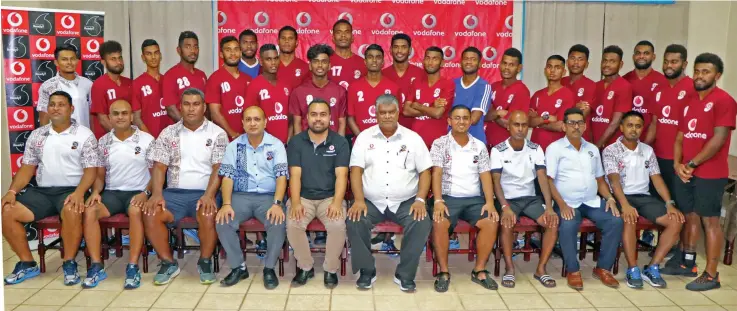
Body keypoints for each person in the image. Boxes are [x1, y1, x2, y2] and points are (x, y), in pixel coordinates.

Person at [2, 91, 101, 285]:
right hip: (43, 192)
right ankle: (27, 263)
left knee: (72, 209)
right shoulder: (38, 135)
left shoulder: (84, 135)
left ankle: (69, 262)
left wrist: (80, 193)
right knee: (6, 210)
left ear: (71, 109)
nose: (56, 108)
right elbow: (27, 168)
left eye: (61, 104)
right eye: (52, 104)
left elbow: (91, 171)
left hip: (72, 189)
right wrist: (11, 192)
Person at [347, 94, 432, 292]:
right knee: (355, 220)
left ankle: (405, 274)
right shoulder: (364, 138)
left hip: (405, 202)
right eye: (382, 112)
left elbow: (425, 171)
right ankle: (367, 271)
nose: (387, 116)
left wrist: (420, 200)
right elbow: (356, 171)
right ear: (375, 114)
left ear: (398, 112)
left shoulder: (413, 139)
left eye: (391, 112)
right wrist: (358, 200)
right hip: (371, 201)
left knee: (421, 221)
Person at [143, 88, 228, 285]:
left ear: (204, 107)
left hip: (204, 192)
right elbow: (159, 166)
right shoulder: (168, 133)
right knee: (151, 212)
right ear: (180, 107)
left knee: (208, 213)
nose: (191, 109)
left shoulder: (218, 133)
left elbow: (219, 168)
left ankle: (204, 261)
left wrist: (209, 195)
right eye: (187, 104)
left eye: (196, 104)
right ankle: (168, 262)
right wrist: (156, 194)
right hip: (174, 193)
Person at [669, 53, 737, 291]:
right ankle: (687, 263)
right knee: (689, 215)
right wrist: (678, 164)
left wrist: (692, 164)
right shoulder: (687, 101)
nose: (699, 76)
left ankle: (711, 274)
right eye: (697, 71)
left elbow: (718, 139)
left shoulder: (724, 100)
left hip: (710, 173)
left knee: (710, 221)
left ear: (717, 75)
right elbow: (680, 137)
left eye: (705, 71)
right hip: (685, 171)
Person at [602, 110, 684, 289]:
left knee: (675, 221)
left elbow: (657, 178)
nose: (634, 130)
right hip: (620, 196)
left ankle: (652, 266)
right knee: (629, 219)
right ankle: (632, 269)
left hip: (644, 197)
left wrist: (669, 204)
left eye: (638, 126)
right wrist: (624, 205)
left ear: (642, 129)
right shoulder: (611, 150)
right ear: (622, 127)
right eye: (630, 125)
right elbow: (614, 180)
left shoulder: (647, 151)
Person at [546, 107, 623, 290]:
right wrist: (562, 205)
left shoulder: (593, 149)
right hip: (566, 201)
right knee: (568, 224)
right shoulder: (554, 149)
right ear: (563, 126)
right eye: (571, 123)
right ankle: (573, 270)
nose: (576, 126)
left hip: (591, 201)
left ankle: (603, 268)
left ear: (585, 126)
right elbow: (548, 181)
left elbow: (599, 179)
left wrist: (610, 198)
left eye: (580, 122)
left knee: (615, 221)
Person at [83, 100, 155, 289]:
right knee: (90, 210)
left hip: (138, 192)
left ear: (132, 116)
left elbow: (157, 174)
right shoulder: (103, 142)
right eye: (116, 113)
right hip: (113, 193)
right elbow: (100, 175)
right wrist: (96, 192)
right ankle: (97, 266)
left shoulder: (147, 139)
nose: (120, 117)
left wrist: (146, 193)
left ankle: (132, 266)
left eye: (124, 113)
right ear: (109, 117)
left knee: (134, 211)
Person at [215, 106, 287, 289]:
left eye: (257, 119)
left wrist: (277, 203)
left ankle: (269, 268)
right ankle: (239, 267)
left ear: (265, 122)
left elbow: (281, 177)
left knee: (277, 222)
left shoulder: (276, 145)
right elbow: (227, 177)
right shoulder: (234, 146)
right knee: (223, 221)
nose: (253, 123)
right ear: (243, 123)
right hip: (240, 196)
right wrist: (226, 204)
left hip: (268, 197)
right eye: (248, 120)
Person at [429, 105, 499, 292]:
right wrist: (437, 201)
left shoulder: (479, 145)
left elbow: (485, 175)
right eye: (457, 118)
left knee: (491, 221)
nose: (461, 121)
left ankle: (480, 270)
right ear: (449, 121)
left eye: (465, 118)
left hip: (474, 198)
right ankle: (444, 272)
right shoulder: (440, 143)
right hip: (447, 197)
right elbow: (436, 173)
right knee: (439, 222)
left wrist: (490, 202)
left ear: (470, 121)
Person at [286, 99, 350, 288]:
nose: (318, 119)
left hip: (330, 198)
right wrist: (296, 203)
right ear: (307, 118)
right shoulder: (297, 142)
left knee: (338, 225)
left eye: (323, 114)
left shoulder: (340, 142)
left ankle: (330, 270)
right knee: (293, 223)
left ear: (330, 118)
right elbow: (295, 175)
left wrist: (337, 203)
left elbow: (342, 175)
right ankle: (306, 267)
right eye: (314, 114)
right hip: (303, 197)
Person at [492, 110, 559, 289]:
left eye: (524, 125)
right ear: (508, 126)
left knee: (551, 222)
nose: (520, 129)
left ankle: (541, 269)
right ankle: (509, 268)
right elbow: (496, 182)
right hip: (508, 199)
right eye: (516, 124)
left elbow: (542, 177)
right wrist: (505, 206)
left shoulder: (535, 148)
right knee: (507, 223)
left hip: (530, 199)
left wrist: (550, 206)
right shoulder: (498, 150)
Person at [654, 44, 696, 272]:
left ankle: (687, 258)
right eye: (667, 61)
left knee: (685, 210)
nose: (669, 66)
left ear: (684, 64)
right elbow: (654, 123)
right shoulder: (660, 88)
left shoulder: (691, 88)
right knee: (667, 208)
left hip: (679, 162)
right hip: (659, 158)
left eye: (674, 62)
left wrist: (685, 162)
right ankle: (670, 248)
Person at [90, 40, 146, 138]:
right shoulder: (98, 85)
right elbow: (103, 119)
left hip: (130, 139)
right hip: (108, 141)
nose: (118, 62)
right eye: (113, 59)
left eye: (120, 58)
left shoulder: (130, 83)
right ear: (103, 62)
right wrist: (120, 137)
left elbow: (135, 114)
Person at [403, 46, 455, 148]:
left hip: (437, 143)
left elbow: (437, 114)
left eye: (435, 59)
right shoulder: (416, 82)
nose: (430, 62)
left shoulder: (448, 84)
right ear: (423, 61)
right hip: (416, 143)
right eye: (428, 58)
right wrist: (432, 106)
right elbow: (406, 111)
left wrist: (418, 106)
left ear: (442, 63)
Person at [290, 44, 348, 136]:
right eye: (316, 61)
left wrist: (340, 146)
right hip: (307, 145)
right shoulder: (298, 92)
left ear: (329, 66)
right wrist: (300, 147)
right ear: (310, 66)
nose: (320, 65)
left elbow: (342, 123)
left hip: (332, 145)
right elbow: (297, 124)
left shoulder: (340, 91)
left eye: (324, 61)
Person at [347, 44, 402, 137]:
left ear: (383, 62)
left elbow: (396, 117)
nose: (374, 60)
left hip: (386, 142)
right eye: (370, 57)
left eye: (378, 57)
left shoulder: (393, 87)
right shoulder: (354, 87)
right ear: (365, 61)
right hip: (362, 143)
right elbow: (350, 118)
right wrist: (362, 138)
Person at [206, 36, 253, 140]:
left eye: (236, 49)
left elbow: (253, 110)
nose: (233, 53)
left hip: (248, 139)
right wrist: (233, 134)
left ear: (241, 52)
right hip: (224, 140)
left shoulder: (248, 79)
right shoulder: (214, 79)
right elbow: (215, 113)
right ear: (221, 54)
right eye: (228, 50)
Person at [623, 41, 669, 145]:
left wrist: (646, 145)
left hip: (654, 145)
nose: (641, 56)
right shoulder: (624, 80)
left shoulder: (663, 81)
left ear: (653, 57)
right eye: (638, 53)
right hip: (627, 142)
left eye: (646, 53)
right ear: (633, 56)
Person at [245, 44, 292, 144]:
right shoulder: (254, 86)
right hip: (263, 144)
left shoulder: (286, 85)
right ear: (261, 61)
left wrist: (289, 139)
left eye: (276, 58)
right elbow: (249, 118)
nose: (273, 63)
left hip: (285, 145)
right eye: (268, 59)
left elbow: (291, 117)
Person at [36, 44, 93, 127]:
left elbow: (93, 115)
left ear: (77, 61)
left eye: (72, 59)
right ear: (56, 62)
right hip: (59, 137)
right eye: (64, 59)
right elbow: (44, 118)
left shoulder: (88, 84)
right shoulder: (48, 86)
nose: (69, 62)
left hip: (85, 136)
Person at [485, 48, 530, 148]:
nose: (506, 68)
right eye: (504, 63)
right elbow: (484, 116)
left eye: (511, 65)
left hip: (508, 149)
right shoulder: (493, 86)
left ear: (519, 68)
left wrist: (492, 112)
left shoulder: (522, 90)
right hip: (488, 146)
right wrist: (498, 113)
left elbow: (508, 123)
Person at [529, 55, 576, 151]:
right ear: (545, 70)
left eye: (557, 67)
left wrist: (538, 122)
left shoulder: (568, 95)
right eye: (549, 67)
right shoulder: (537, 94)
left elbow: (559, 126)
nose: (552, 70)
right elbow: (528, 122)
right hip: (535, 150)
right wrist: (546, 118)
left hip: (556, 150)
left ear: (563, 72)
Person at [591, 45, 633, 149]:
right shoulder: (595, 85)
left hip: (611, 147)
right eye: (604, 61)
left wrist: (597, 146)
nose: (607, 64)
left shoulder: (624, 86)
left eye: (612, 61)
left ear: (621, 64)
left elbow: (615, 122)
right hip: (592, 145)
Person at [162, 31, 208, 123]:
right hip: (181, 132)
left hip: (201, 131)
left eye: (195, 47)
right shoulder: (170, 75)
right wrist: (188, 127)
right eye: (187, 47)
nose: (192, 51)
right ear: (179, 50)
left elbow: (205, 106)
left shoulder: (202, 75)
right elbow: (171, 108)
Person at [384, 33, 425, 129]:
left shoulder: (421, 74)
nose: (399, 51)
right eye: (396, 47)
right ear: (390, 50)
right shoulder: (383, 75)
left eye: (403, 47)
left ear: (410, 50)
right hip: (389, 130)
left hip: (415, 130)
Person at [452, 47, 491, 145]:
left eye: (473, 59)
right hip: (451, 142)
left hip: (475, 143)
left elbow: (474, 119)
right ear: (461, 62)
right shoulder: (451, 84)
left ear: (480, 64)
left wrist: (454, 119)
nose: (469, 62)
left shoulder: (484, 86)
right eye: (466, 59)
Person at [132, 39, 169, 138]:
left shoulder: (168, 80)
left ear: (160, 55)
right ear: (143, 57)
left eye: (156, 53)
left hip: (170, 140)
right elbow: (136, 118)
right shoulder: (137, 84)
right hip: (148, 140)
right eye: (148, 54)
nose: (153, 57)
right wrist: (150, 139)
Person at [562, 44, 597, 142]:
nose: (576, 62)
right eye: (572, 58)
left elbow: (582, 114)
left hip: (581, 139)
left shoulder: (591, 85)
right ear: (567, 62)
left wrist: (562, 112)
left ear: (586, 64)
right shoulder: (560, 82)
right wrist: (575, 107)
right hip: (559, 138)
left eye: (580, 59)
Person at [329, 19, 366, 90]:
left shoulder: (363, 63)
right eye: (339, 32)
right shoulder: (325, 62)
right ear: (333, 38)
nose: (343, 35)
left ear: (352, 37)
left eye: (347, 32)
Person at [277, 26, 309, 90]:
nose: (286, 41)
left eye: (290, 38)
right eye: (283, 38)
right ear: (278, 41)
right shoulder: (268, 66)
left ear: (296, 42)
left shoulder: (305, 67)